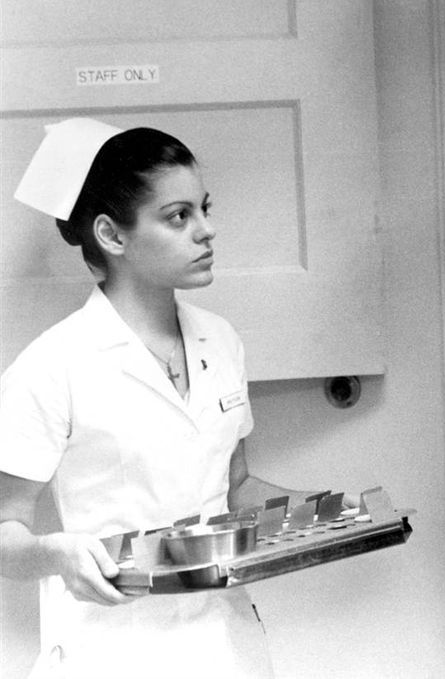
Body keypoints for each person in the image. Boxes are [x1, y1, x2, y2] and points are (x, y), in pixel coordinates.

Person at [0, 119, 309, 678]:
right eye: (179, 216)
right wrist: (57, 553)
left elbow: (234, 487)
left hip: (225, 642)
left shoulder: (222, 340)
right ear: (112, 236)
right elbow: (5, 532)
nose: (207, 231)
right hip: (114, 649)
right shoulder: (53, 365)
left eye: (204, 209)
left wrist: (338, 513)